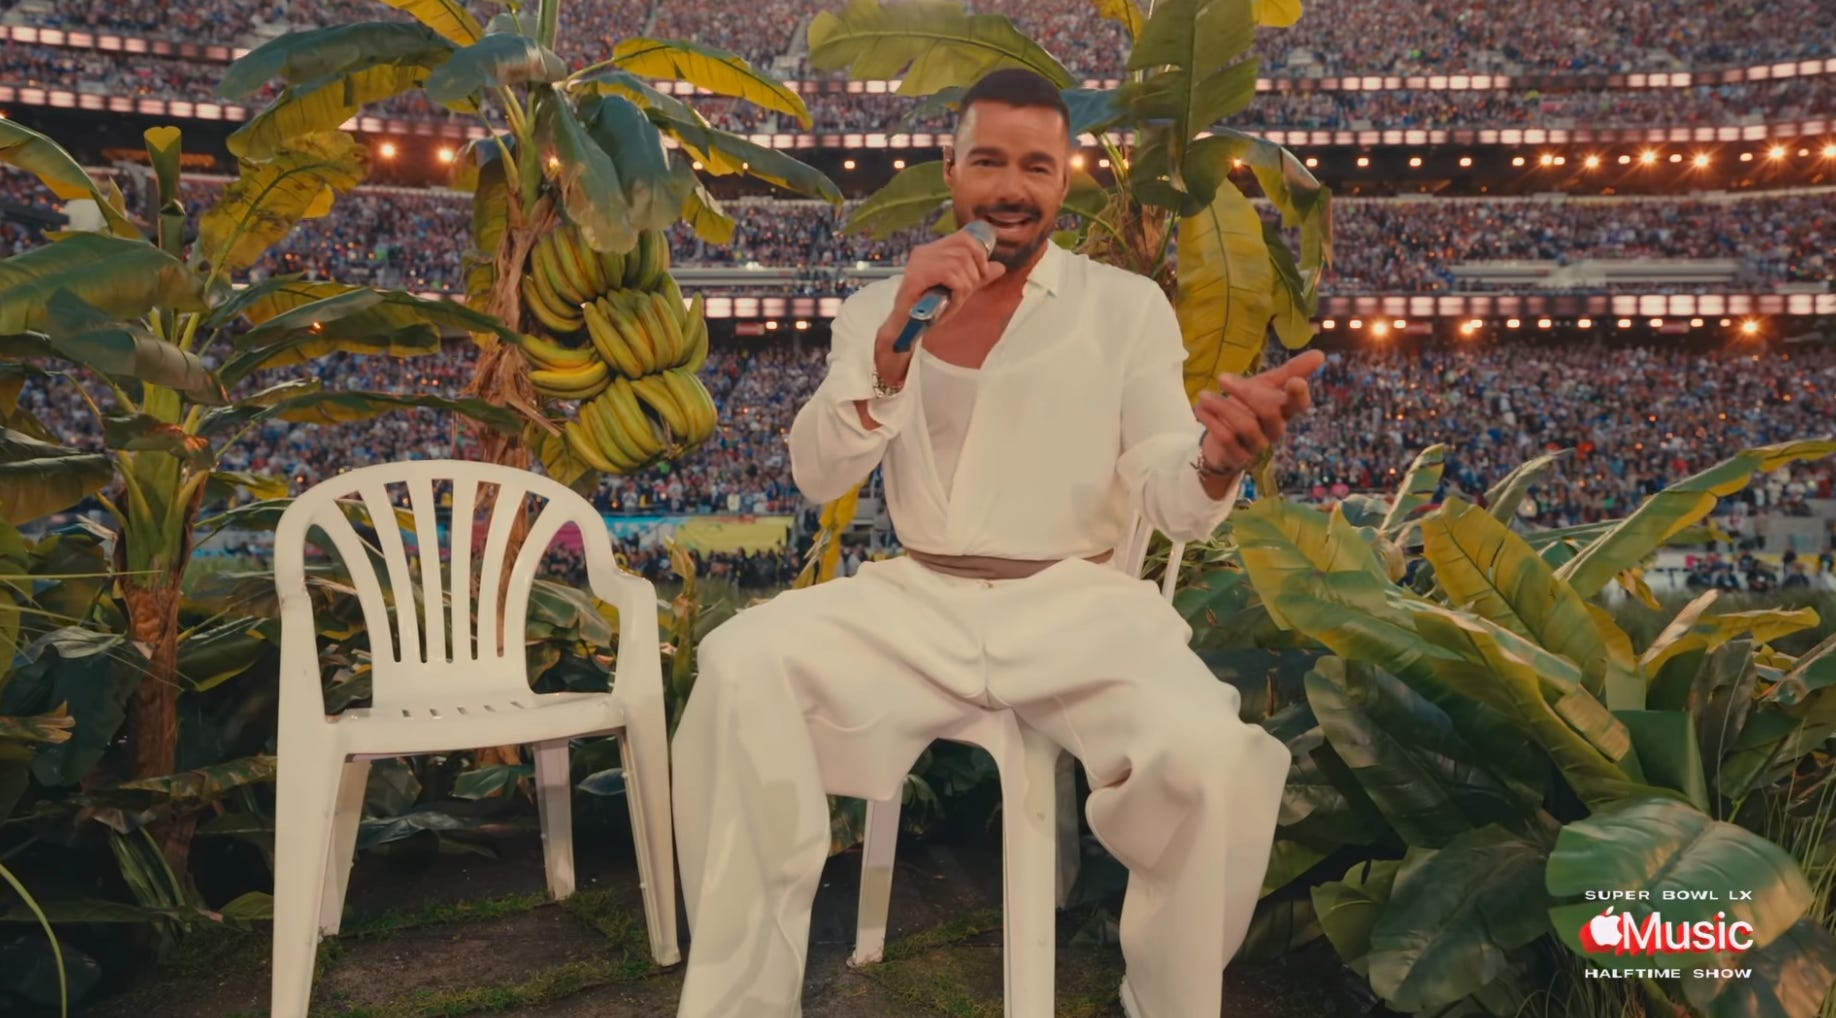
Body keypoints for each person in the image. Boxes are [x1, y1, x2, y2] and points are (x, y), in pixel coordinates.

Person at [670, 67, 1324, 1018]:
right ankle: (739, 1003)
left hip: (1079, 608)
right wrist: (893, 349)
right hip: (917, 601)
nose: (1011, 187)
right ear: (951, 169)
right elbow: (817, 474)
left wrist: (1217, 461)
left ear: (1064, 181)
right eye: (988, 161)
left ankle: (1168, 1001)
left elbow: (1167, 486)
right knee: (738, 665)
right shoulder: (881, 308)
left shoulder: (1123, 307)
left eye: (1036, 166)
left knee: (1215, 761)